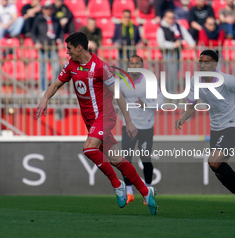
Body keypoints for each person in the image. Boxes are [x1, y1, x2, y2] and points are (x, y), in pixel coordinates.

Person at [36, 32, 158, 215]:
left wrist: (130, 122)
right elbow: (55, 85)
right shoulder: (71, 66)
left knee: (89, 148)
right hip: (91, 121)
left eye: (69, 48)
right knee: (117, 160)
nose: (67, 52)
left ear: (79, 47)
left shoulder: (100, 67)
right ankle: (146, 192)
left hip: (105, 117)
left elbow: (118, 95)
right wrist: (44, 99)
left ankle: (117, 185)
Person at [175, 49, 235, 214]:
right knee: (218, 169)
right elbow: (191, 105)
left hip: (234, 123)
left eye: (207, 61)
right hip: (216, 126)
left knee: (214, 161)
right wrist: (183, 117)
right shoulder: (195, 81)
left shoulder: (226, 80)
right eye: (201, 61)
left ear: (215, 64)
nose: (203, 65)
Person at [120, 55, 164, 204]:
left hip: (146, 126)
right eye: (131, 63)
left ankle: (148, 191)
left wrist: (146, 104)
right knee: (127, 160)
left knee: (145, 159)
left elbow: (161, 102)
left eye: (137, 63)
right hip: (129, 126)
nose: (134, 65)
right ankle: (129, 192)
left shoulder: (149, 83)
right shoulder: (122, 83)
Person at [157, 10, 195, 93]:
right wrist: (173, 45)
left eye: (172, 18)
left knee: (174, 73)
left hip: (177, 53)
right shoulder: (161, 28)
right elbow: (161, 43)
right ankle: (170, 91)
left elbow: (186, 35)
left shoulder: (177, 26)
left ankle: (171, 90)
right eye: (169, 17)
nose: (171, 19)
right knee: (172, 73)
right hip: (168, 53)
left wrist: (192, 43)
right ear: (165, 18)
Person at [30, 0, 63, 91]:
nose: (49, 11)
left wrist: (60, 41)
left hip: (53, 47)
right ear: (44, 10)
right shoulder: (39, 19)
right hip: (43, 47)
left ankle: (53, 89)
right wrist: (36, 42)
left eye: (51, 9)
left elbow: (60, 33)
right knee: (43, 69)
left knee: (56, 68)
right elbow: (33, 32)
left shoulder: (56, 20)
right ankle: (43, 89)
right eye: (47, 9)